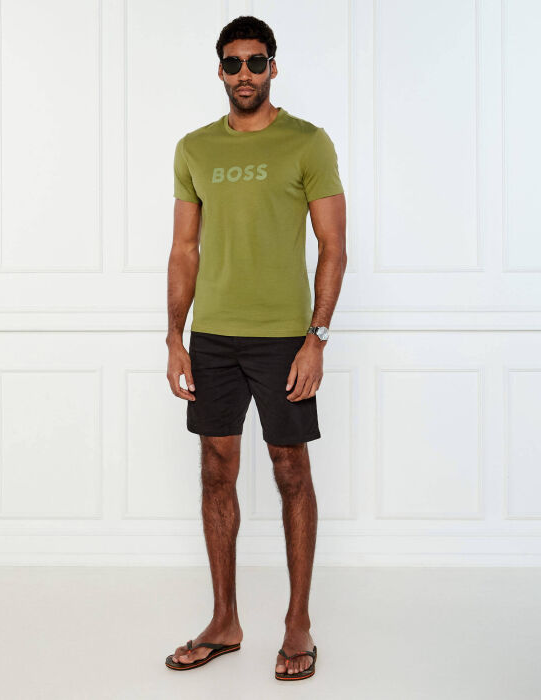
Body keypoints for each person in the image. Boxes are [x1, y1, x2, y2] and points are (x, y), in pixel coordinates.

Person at [164, 15, 346, 681]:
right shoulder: (194, 148)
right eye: (234, 63)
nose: (246, 74)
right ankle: (225, 621)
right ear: (220, 70)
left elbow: (334, 247)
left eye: (257, 62)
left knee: (290, 469)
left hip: (283, 339)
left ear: (273, 67)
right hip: (213, 338)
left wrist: (316, 338)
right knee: (216, 469)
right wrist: (174, 337)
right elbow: (184, 249)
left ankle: (298, 622)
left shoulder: (307, 142)